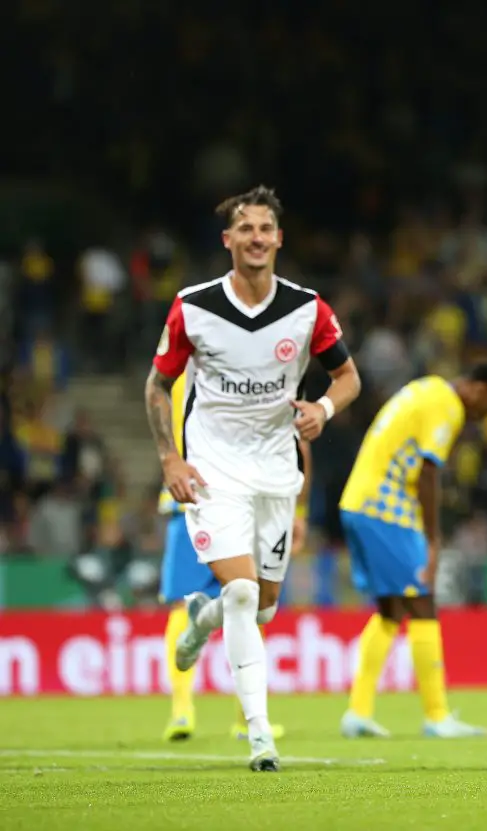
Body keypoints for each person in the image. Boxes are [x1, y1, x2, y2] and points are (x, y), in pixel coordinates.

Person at [145, 185, 361, 772]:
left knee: (261, 609)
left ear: (279, 239)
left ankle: (201, 620)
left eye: (266, 229)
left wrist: (324, 409)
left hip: (276, 474)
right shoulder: (192, 307)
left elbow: (347, 378)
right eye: (246, 229)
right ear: (228, 240)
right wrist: (170, 459)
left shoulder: (307, 308)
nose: (257, 238)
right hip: (214, 472)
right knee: (241, 594)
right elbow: (157, 386)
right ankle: (261, 736)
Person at [338, 364, 487, 739]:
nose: (484, 417)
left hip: (358, 501)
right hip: (384, 508)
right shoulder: (447, 404)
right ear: (479, 389)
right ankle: (436, 716)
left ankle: (358, 711)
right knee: (422, 601)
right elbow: (429, 471)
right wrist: (433, 539)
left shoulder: (426, 388)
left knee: (391, 608)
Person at [159, 364, 303, 743]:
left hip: (224, 497)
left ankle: (223, 715)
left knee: (248, 599)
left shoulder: (198, 367)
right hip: (203, 496)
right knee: (212, 601)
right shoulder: (219, 367)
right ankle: (197, 713)